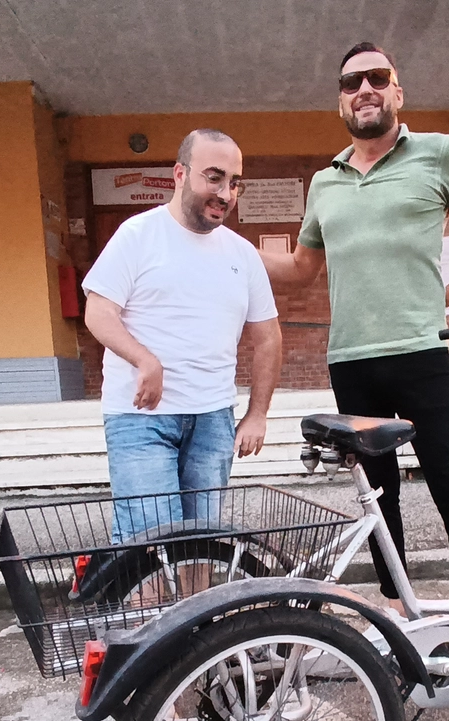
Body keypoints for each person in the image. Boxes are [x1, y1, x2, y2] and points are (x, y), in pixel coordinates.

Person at [259, 43, 449, 685]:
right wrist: (228, 251)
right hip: (353, 361)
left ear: (397, 92)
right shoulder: (325, 181)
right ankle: (403, 615)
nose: (365, 88)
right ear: (341, 99)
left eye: (379, 78)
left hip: (420, 354)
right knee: (380, 496)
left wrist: (448, 297)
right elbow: (301, 270)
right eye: (352, 81)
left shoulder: (438, 154)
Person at [84, 129, 282, 541]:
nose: (225, 193)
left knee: (202, 545)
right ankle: (156, 611)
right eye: (214, 177)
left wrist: (257, 413)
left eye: (234, 183)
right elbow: (99, 312)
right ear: (179, 173)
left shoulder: (242, 254)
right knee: (149, 547)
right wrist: (145, 359)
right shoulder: (138, 235)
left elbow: (267, 337)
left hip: (213, 419)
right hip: (141, 419)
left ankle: (196, 608)